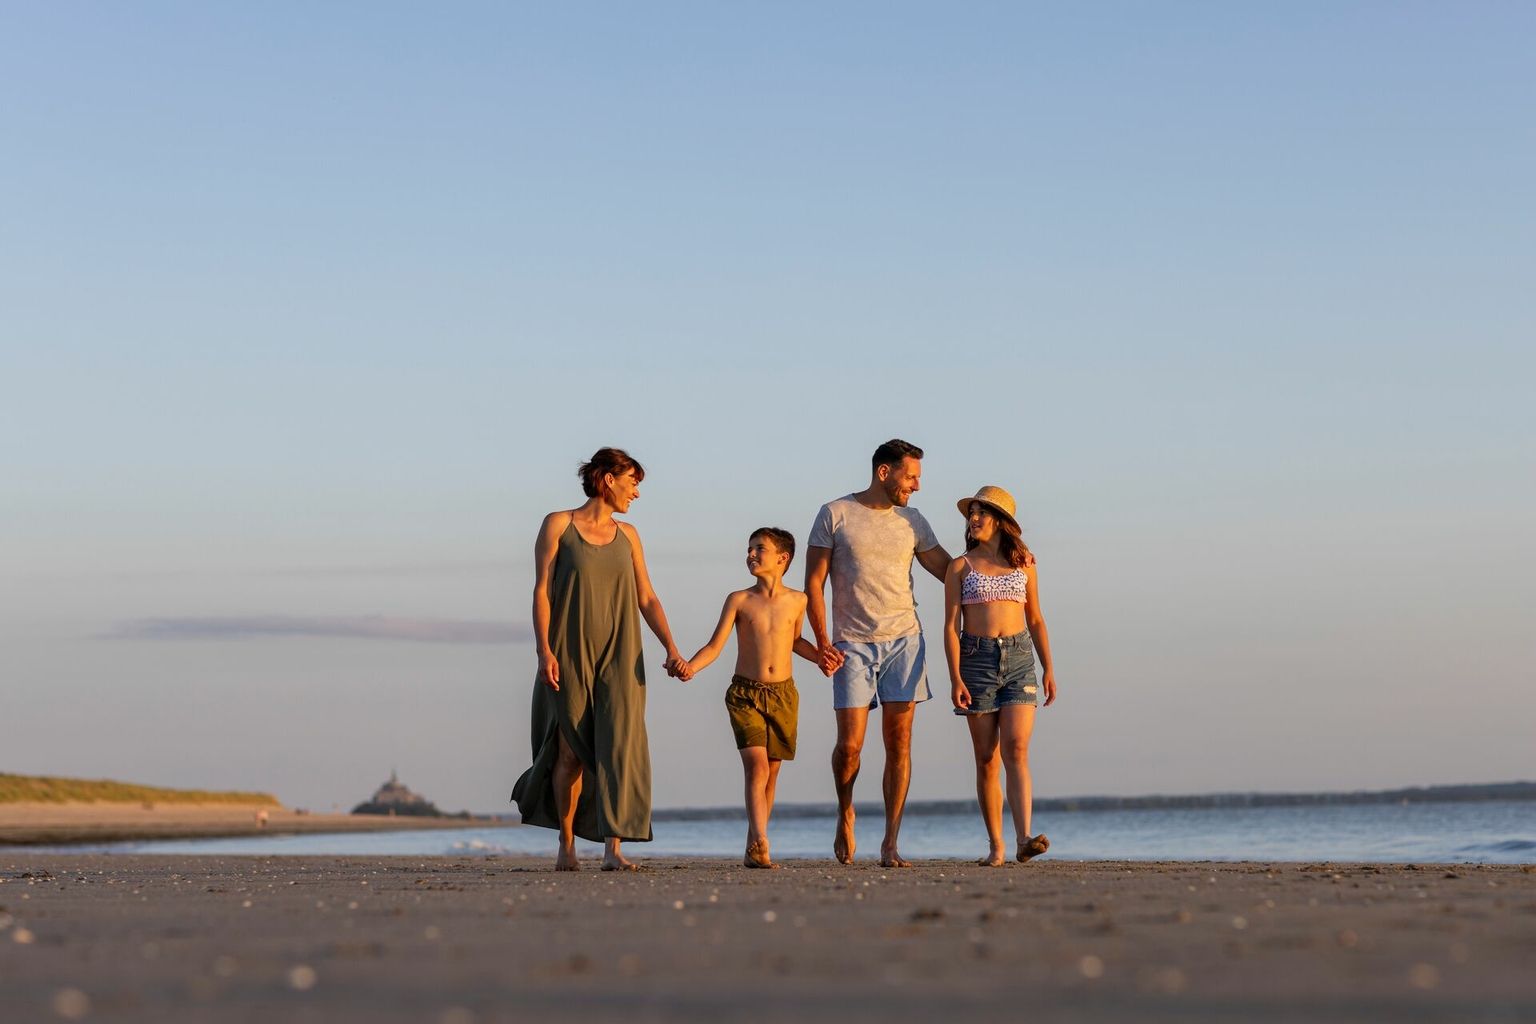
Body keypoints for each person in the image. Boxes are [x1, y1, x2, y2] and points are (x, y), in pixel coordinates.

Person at [512, 448, 687, 871]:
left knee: (619, 748)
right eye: (633, 482)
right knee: (569, 750)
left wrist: (671, 647)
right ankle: (567, 845)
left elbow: (646, 596)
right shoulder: (558, 524)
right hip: (568, 652)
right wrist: (544, 651)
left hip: (621, 654)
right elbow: (540, 591)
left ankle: (614, 850)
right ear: (608, 479)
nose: (637, 493)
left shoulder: (629, 535)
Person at [805, 439, 951, 867]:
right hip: (850, 643)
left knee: (899, 742)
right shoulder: (835, 514)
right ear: (884, 472)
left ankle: (890, 841)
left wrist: (1000, 562)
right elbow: (814, 583)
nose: (916, 486)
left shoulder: (913, 521)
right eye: (911, 477)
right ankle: (845, 810)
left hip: (905, 640)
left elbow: (949, 570)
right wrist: (822, 642)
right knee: (850, 747)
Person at [679, 528, 821, 869]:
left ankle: (753, 843)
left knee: (771, 774)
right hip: (745, 694)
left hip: (784, 694)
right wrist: (691, 667)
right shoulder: (739, 600)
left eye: (759, 549)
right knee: (756, 767)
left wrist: (821, 657)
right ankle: (762, 840)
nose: (751, 555)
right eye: (749, 549)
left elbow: (797, 641)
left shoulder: (799, 600)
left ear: (782, 558)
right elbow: (715, 646)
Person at [943, 486, 1057, 866]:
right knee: (986, 759)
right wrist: (955, 677)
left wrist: (1048, 667)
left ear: (1001, 521)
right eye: (971, 512)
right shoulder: (960, 566)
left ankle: (1024, 836)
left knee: (1017, 749)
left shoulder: (1025, 561)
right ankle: (997, 845)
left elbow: (1036, 618)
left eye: (981, 512)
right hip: (976, 660)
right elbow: (949, 626)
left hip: (1021, 658)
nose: (973, 519)